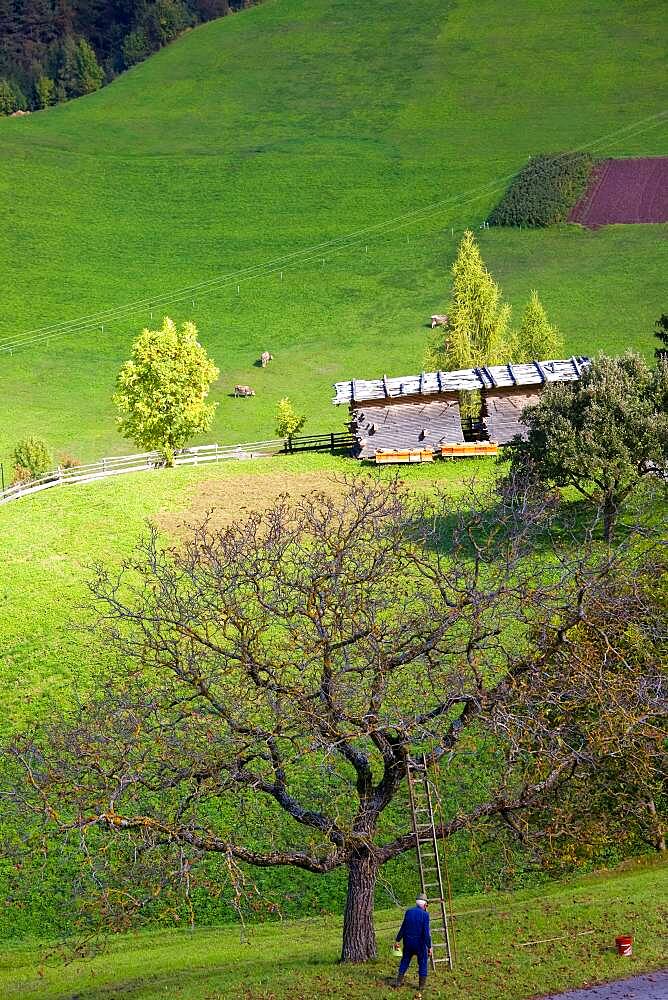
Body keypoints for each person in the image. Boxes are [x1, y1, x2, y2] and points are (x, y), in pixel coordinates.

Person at [393, 894, 432, 990]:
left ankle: (398, 981)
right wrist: (429, 947)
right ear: (424, 905)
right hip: (420, 944)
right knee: (423, 963)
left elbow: (403, 928)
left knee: (405, 961)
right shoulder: (425, 915)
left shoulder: (409, 912)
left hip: (408, 942)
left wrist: (397, 940)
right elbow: (426, 933)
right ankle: (421, 986)